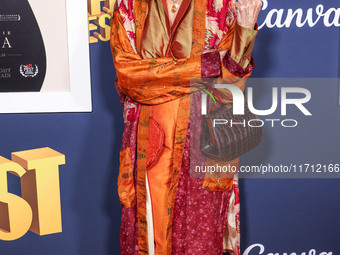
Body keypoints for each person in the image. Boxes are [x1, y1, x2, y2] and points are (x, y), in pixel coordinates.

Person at [110, 0, 262, 254]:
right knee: (150, 239)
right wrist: (208, 66)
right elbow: (129, 78)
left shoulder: (222, 5)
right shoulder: (129, 4)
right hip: (150, 146)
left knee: (200, 241)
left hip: (205, 148)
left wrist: (245, 31)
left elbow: (229, 86)